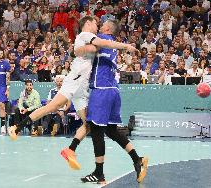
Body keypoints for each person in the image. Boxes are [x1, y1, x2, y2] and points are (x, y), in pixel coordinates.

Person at [8, 16, 136, 146]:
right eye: (96, 24)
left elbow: (92, 48)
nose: (98, 26)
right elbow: (101, 45)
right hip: (75, 80)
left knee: (89, 123)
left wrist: (82, 49)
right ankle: (16, 128)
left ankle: (71, 150)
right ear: (88, 23)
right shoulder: (85, 34)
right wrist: (125, 46)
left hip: (83, 85)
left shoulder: (89, 39)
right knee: (52, 107)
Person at [62, 19, 147, 184]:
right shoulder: (112, 47)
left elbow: (82, 49)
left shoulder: (100, 38)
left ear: (106, 28)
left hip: (101, 90)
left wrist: (74, 51)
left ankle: (98, 173)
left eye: (101, 24)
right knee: (111, 131)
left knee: (95, 130)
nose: (98, 25)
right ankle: (138, 159)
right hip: (114, 91)